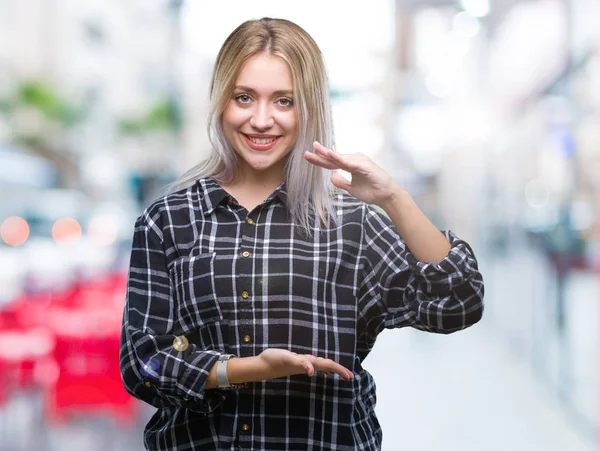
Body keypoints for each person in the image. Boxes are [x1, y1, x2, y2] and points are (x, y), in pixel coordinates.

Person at [119, 17, 484, 451]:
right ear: (221, 102)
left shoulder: (350, 224)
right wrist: (247, 369)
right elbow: (144, 362)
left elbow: (458, 303)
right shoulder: (169, 219)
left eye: (283, 101)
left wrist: (392, 197)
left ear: (307, 107)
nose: (260, 119)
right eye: (243, 98)